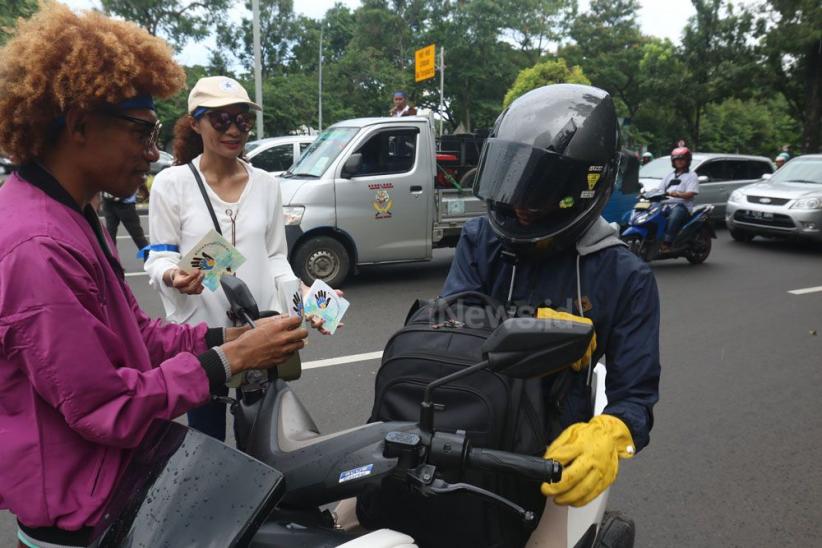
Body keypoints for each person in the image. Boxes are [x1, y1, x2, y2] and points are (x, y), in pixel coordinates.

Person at [0, 6, 307, 547]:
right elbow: (102, 407)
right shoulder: (38, 246)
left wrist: (223, 338)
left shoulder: (72, 213)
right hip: (81, 515)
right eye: (142, 132)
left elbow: (131, 336)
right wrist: (228, 360)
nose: (151, 152)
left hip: (112, 481)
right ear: (78, 125)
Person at [437, 84, 660, 546]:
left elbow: (635, 398)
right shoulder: (481, 239)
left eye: (536, 189)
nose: (517, 202)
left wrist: (612, 433)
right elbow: (449, 328)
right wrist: (529, 332)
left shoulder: (625, 276)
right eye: (511, 177)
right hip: (463, 428)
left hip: (551, 454)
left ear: (587, 184)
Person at [144, 75, 324, 441]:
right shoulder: (172, 183)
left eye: (242, 119)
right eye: (220, 119)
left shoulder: (267, 185)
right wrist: (173, 276)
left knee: (260, 439)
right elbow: (159, 256)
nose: (234, 130)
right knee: (208, 444)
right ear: (195, 123)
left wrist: (304, 293)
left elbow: (275, 256)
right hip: (205, 338)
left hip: (258, 334)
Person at [657, 146, 699, 252]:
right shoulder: (669, 175)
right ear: (673, 161)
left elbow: (691, 193)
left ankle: (667, 243)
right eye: (676, 159)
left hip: (682, 206)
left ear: (687, 160)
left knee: (674, 217)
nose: (679, 162)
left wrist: (677, 194)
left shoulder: (692, 175)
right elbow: (660, 190)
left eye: (682, 159)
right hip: (666, 204)